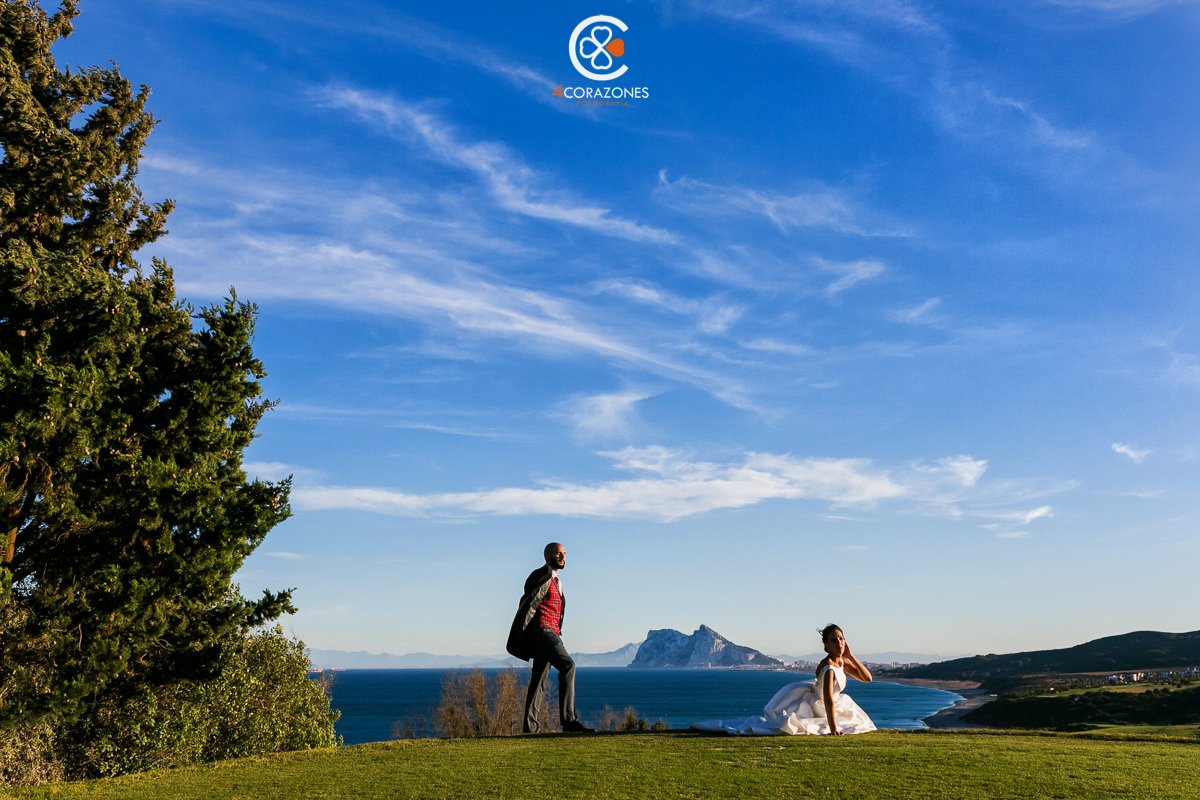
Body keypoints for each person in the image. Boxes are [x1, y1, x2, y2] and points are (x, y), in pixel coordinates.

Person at [691, 623, 876, 735]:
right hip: (821, 707)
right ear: (826, 646)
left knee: (858, 723)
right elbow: (827, 699)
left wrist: (851, 657)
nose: (839, 643)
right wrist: (834, 729)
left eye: (841, 639)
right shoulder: (829, 667)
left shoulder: (843, 662)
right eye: (834, 640)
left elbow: (867, 678)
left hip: (836, 704)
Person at [506, 542, 593, 733]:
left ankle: (529, 728)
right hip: (543, 631)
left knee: (538, 679)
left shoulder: (557, 581)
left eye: (564, 554)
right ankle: (569, 721)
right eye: (558, 554)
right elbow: (528, 603)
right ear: (548, 557)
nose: (562, 557)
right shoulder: (540, 576)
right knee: (568, 666)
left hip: (551, 632)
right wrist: (524, 633)